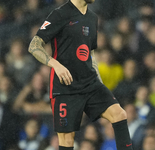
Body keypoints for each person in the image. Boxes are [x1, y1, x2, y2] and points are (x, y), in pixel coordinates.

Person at [28, 0, 133, 150]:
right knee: (67, 139)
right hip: (65, 87)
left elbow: (90, 54)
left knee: (119, 114)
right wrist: (55, 64)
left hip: (90, 83)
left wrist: (100, 83)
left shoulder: (92, 18)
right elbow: (34, 45)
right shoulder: (59, 14)